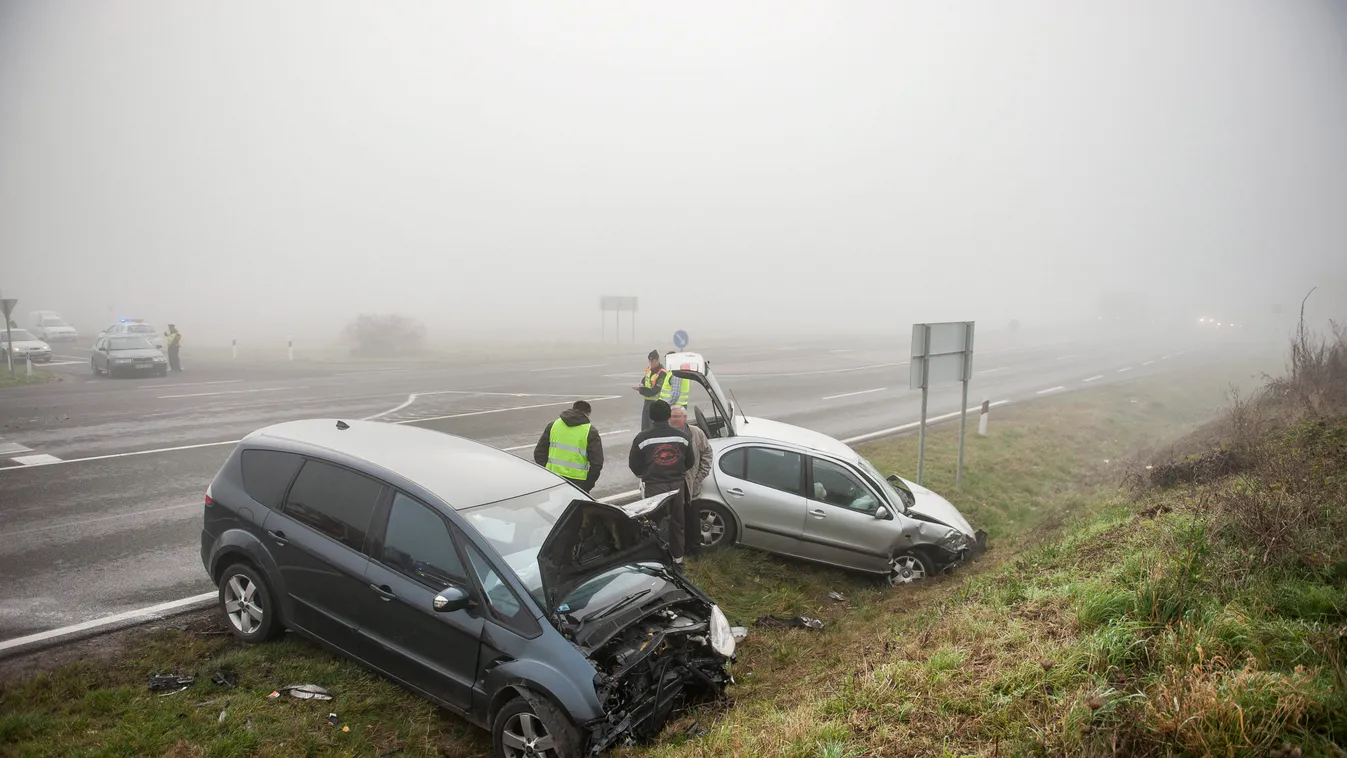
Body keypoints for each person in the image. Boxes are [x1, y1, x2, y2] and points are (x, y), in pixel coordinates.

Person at [628, 400, 694, 569]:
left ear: (651, 416)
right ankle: (678, 561)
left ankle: (657, 562)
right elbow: (690, 462)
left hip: (654, 486)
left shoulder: (642, 438)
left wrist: (645, 475)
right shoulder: (682, 437)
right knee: (678, 523)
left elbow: (634, 464)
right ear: (667, 416)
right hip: (677, 485)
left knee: (653, 523)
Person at [533, 400, 604, 492]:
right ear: (588, 414)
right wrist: (587, 485)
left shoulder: (553, 425)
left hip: (553, 478)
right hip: (578, 482)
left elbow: (539, 453)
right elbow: (597, 463)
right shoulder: (590, 431)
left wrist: (548, 471)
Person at [669, 405, 713, 553]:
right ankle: (678, 550)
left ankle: (694, 550)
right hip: (673, 486)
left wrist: (699, 477)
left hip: (692, 486)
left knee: (692, 520)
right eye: (672, 417)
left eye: (677, 417)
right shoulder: (667, 434)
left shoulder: (696, 433)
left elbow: (707, 454)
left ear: (685, 417)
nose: (673, 420)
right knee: (675, 520)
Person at [632, 350, 668, 431]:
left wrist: (641, 390)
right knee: (645, 427)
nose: (651, 363)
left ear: (658, 360)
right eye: (650, 361)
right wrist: (640, 385)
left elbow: (655, 390)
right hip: (647, 403)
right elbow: (644, 380)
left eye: (653, 361)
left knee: (653, 428)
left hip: (656, 404)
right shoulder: (649, 370)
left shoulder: (662, 373)